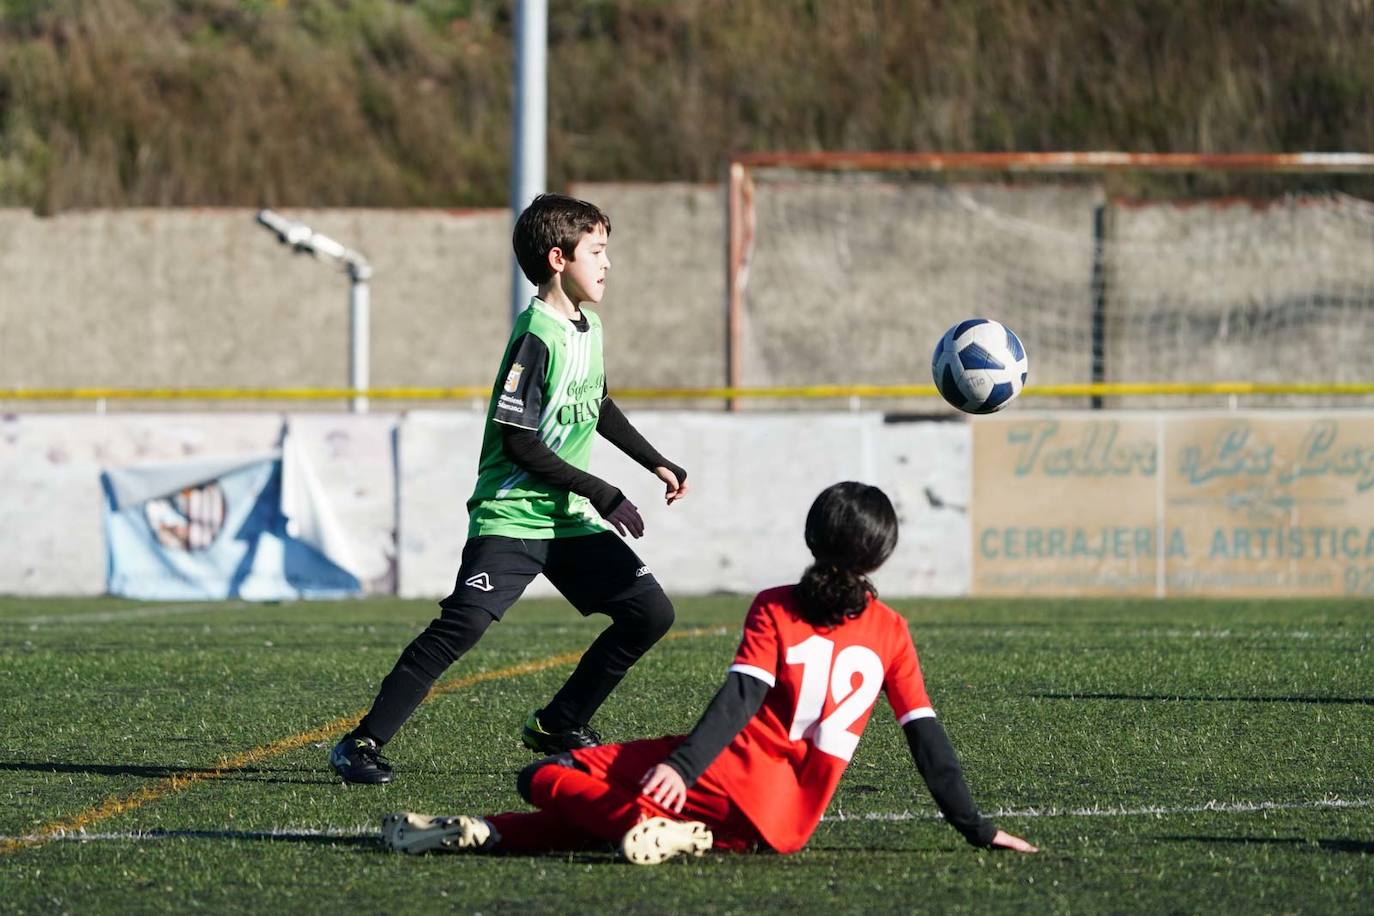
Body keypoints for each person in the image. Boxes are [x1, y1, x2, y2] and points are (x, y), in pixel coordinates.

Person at [379, 482, 1036, 861]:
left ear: (812, 537)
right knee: (613, 809)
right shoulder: (891, 631)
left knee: (546, 774)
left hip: (724, 777)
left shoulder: (778, 604)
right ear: (882, 555)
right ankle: (489, 832)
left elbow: (740, 698)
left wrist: (684, 767)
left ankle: (643, 827)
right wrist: (976, 828)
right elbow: (928, 741)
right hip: (784, 827)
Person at [330, 193, 689, 785]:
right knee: (463, 626)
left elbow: (595, 403)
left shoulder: (588, 326)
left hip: (566, 519)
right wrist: (603, 490)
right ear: (557, 258)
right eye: (596, 251)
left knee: (649, 612)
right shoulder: (534, 334)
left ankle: (560, 722)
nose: (606, 264)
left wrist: (656, 462)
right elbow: (519, 442)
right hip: (512, 516)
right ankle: (359, 744)